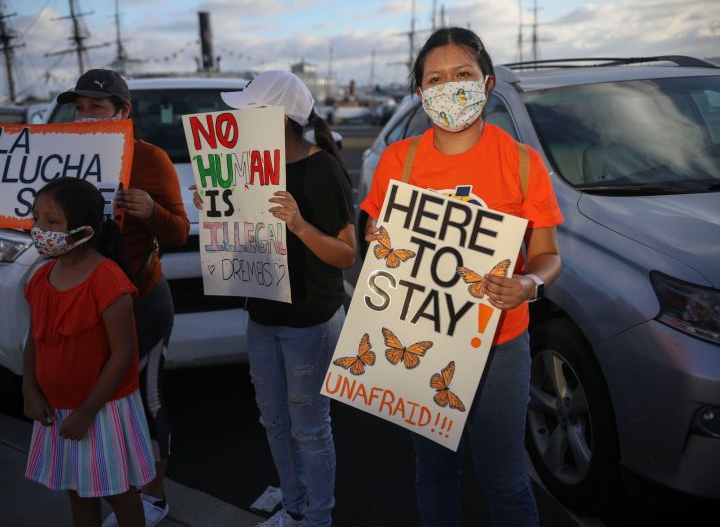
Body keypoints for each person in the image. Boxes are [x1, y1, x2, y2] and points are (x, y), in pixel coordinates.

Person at [360, 27, 563, 527]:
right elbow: (375, 235)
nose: (450, 86)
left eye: (463, 75)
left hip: (500, 343)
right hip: (420, 336)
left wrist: (527, 286)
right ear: (420, 92)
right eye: (436, 78)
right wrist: (377, 238)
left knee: (505, 478)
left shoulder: (520, 163)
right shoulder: (398, 160)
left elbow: (548, 257)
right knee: (434, 468)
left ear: (487, 82)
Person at [192, 70, 356, 527]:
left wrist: (299, 224)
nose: (237, 119)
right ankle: (296, 508)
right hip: (261, 313)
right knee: (274, 422)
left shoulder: (320, 167)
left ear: (278, 118)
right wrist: (216, 209)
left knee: (309, 427)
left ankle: (318, 518)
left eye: (247, 111)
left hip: (309, 319)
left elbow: (346, 255)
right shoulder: (243, 164)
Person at [54, 69, 190, 527]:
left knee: (146, 399)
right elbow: (40, 221)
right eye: (79, 107)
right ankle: (109, 486)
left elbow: (179, 232)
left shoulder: (150, 159)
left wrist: (151, 211)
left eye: (96, 107)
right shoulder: (60, 155)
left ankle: (154, 496)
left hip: (140, 300)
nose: (84, 116)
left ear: (123, 112)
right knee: (100, 402)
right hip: (85, 304)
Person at [22, 178, 155, 527]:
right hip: (59, 409)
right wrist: (30, 390)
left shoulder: (107, 279)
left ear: (83, 230)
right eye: (36, 219)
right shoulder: (40, 278)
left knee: (117, 491)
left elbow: (122, 354)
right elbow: (33, 339)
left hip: (101, 411)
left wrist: (85, 412)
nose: (39, 230)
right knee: (77, 489)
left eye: (51, 222)